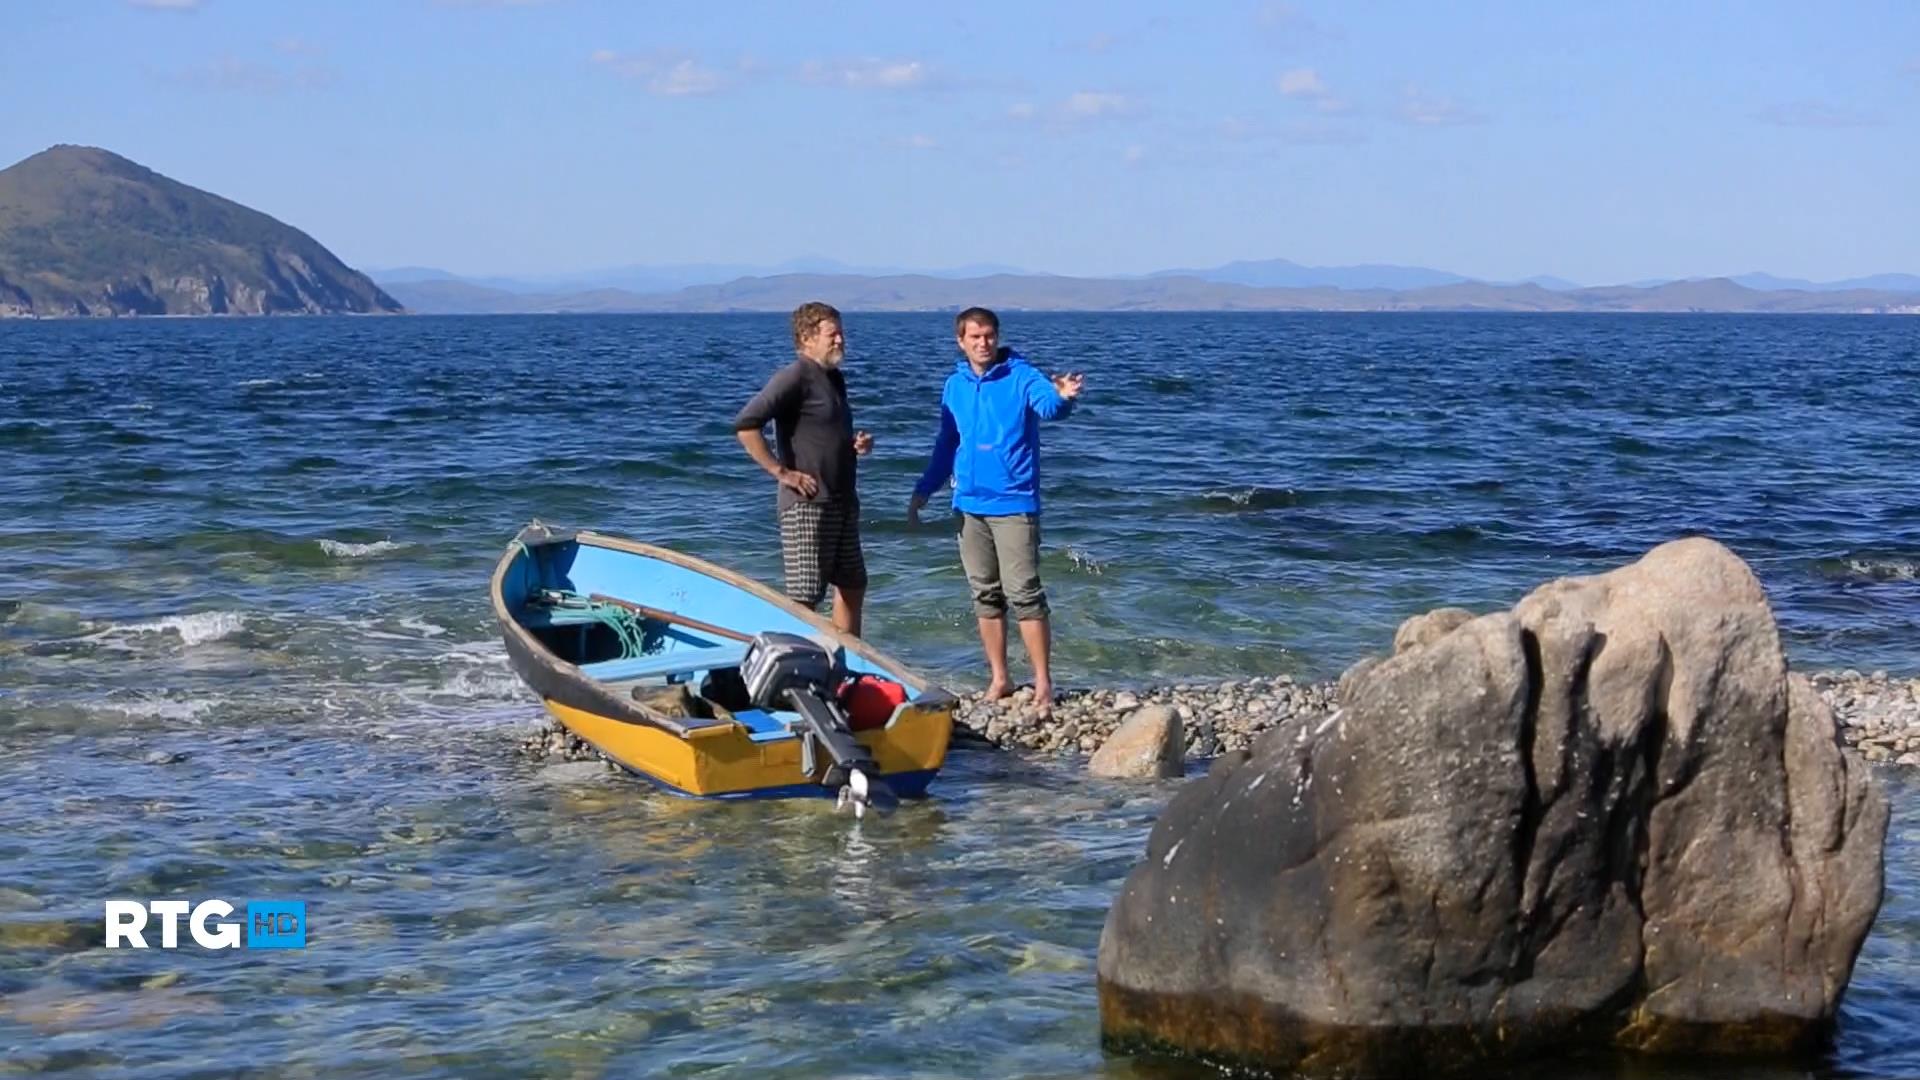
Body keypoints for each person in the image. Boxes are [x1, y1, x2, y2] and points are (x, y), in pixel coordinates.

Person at [909, 307, 1084, 718]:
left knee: (1024, 592)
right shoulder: (954, 385)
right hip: (968, 503)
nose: (983, 343)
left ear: (997, 337)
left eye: (989, 335)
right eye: (975, 337)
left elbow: (1049, 406)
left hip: (1014, 502)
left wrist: (1063, 397)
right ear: (961, 341)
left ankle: (1043, 681)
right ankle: (1000, 678)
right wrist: (925, 488)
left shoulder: (1022, 376)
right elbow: (947, 443)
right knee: (984, 593)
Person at [734, 302, 874, 636]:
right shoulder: (794, 376)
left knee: (853, 584)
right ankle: (797, 660)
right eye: (832, 334)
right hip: (807, 503)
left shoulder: (834, 378)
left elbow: (821, 431)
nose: (840, 340)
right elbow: (746, 425)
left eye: (841, 333)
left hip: (842, 499)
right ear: (807, 338)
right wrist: (782, 472)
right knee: (805, 596)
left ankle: (844, 657)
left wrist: (855, 445)